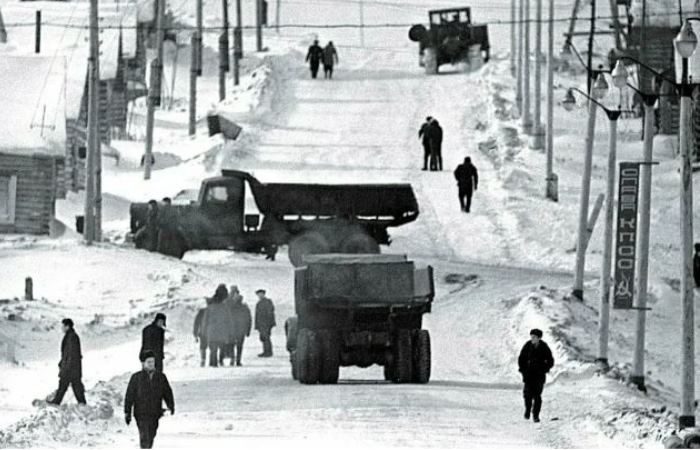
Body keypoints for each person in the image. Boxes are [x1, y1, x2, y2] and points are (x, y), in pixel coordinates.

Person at [124, 350, 175, 449]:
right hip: (141, 412)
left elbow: (167, 392)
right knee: (144, 436)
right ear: (143, 363)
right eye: (149, 362)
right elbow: (129, 396)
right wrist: (127, 412)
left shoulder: (160, 377)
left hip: (155, 412)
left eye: (153, 362)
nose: (151, 364)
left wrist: (171, 405)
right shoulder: (136, 378)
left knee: (151, 434)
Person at [517, 329, 554, 423]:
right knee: (527, 395)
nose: (532, 339)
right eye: (531, 337)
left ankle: (536, 415)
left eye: (534, 337)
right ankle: (528, 409)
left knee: (537, 396)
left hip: (539, 375)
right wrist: (523, 369)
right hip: (528, 374)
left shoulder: (544, 347)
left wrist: (545, 369)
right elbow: (521, 358)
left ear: (539, 338)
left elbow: (550, 360)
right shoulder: (527, 346)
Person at [48, 318, 86, 405]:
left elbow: (71, 354)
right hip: (72, 368)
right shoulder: (70, 336)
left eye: (63, 326)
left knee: (67, 385)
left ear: (67, 326)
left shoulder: (72, 337)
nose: (62, 328)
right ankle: (82, 403)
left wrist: (66, 367)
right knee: (73, 386)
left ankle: (57, 402)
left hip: (71, 368)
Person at [202, 284, 235, 367]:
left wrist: (203, 332)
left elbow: (205, 321)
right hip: (222, 331)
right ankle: (220, 361)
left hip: (211, 331)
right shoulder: (225, 308)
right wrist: (231, 332)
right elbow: (229, 321)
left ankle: (213, 363)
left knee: (213, 349)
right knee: (222, 346)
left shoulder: (209, 308)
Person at [227, 285, 252, 366]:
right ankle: (238, 360)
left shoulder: (230, 307)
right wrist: (248, 330)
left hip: (232, 329)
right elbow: (249, 319)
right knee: (239, 346)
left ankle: (232, 358)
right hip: (241, 330)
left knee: (231, 344)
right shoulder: (244, 308)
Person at [254, 289, 276, 357]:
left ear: (263, 294)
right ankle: (266, 351)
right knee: (263, 338)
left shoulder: (267, 302)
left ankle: (268, 352)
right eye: (258, 294)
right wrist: (257, 325)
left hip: (266, 323)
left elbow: (270, 313)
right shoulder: (259, 303)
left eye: (260, 294)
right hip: (261, 324)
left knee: (266, 337)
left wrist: (270, 323)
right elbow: (257, 315)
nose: (259, 296)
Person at [193, 299, 210, 367]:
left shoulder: (202, 311)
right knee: (213, 346)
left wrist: (195, 333)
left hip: (203, 332)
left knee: (203, 346)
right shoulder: (214, 311)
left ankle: (203, 360)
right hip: (213, 332)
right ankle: (214, 360)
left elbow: (196, 323)